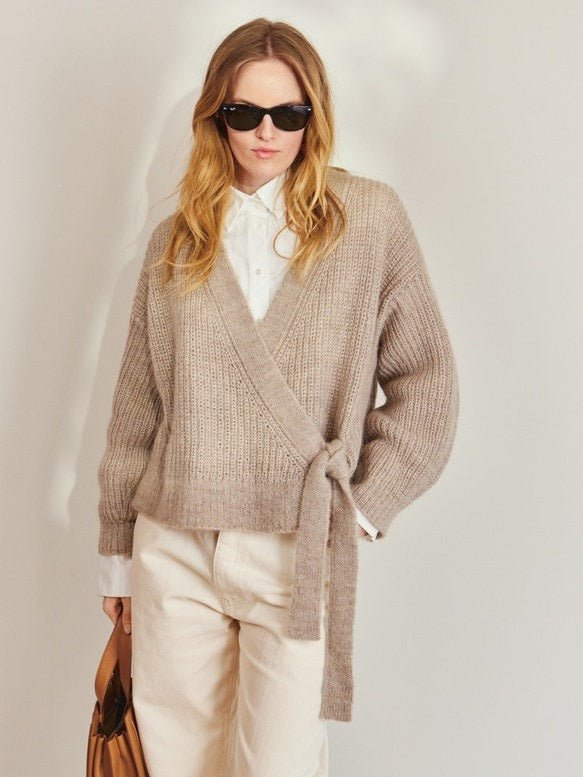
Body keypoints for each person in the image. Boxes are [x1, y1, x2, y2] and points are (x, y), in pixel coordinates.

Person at [96, 17, 459, 777]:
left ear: (313, 116)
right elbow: (137, 411)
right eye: (245, 113)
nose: (267, 133)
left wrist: (361, 507)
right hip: (175, 545)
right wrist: (118, 557)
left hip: (297, 549)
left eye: (288, 114)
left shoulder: (368, 222)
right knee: (179, 764)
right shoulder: (176, 242)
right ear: (216, 117)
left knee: (279, 766)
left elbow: (426, 383)